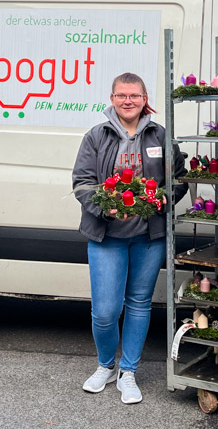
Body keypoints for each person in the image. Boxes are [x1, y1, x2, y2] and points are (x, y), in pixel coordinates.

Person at [72, 72, 187, 404]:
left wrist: (165, 197)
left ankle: (129, 372)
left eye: (134, 95)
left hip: (148, 236)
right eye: (121, 95)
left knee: (138, 303)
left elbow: (179, 178)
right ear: (112, 99)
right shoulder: (96, 136)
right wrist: (107, 208)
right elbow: (81, 182)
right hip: (106, 234)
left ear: (144, 98)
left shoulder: (161, 136)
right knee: (105, 311)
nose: (128, 101)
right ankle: (106, 365)